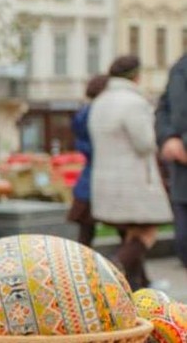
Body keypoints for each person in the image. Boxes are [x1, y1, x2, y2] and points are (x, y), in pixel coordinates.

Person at [89, 56, 173, 290]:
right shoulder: (134, 102)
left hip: (105, 182)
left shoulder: (100, 100)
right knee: (146, 232)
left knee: (130, 234)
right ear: (136, 75)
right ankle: (110, 274)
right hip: (133, 181)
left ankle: (137, 285)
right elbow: (145, 143)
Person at [66, 74, 109, 247]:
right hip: (103, 175)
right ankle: (129, 269)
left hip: (87, 178)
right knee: (124, 226)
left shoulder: (83, 112)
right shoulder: (100, 112)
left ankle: (80, 266)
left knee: (86, 230)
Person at [155, 52, 187, 268]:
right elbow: (163, 107)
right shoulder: (180, 68)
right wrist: (167, 138)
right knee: (183, 238)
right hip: (181, 170)